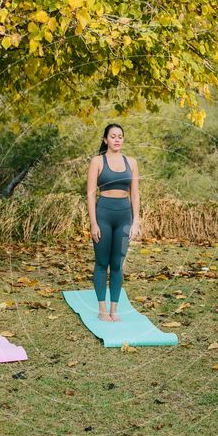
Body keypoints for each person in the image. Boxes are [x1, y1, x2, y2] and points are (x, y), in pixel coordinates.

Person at [86, 124, 141, 321]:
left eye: (120, 136)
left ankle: (114, 310)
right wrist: (94, 223)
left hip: (124, 216)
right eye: (113, 136)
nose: (117, 139)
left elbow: (134, 194)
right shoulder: (97, 161)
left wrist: (135, 222)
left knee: (117, 264)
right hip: (103, 214)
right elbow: (91, 194)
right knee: (102, 263)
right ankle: (102, 309)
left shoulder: (132, 162)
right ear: (105, 140)